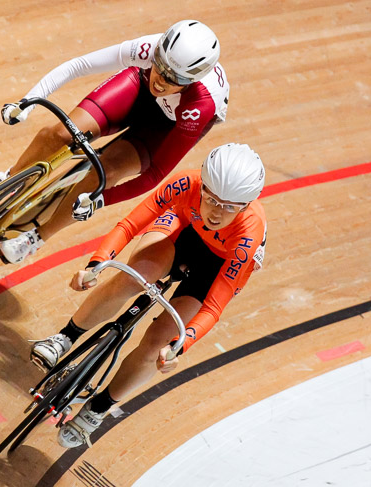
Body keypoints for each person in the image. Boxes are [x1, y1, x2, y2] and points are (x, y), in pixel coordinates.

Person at [30, 143, 267, 448]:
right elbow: (131, 224)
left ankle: (97, 410)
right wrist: (96, 264)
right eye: (211, 199)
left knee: (160, 342)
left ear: (246, 205)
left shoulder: (248, 236)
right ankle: (63, 338)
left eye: (230, 206)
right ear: (203, 185)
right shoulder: (185, 183)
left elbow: (213, 306)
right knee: (134, 277)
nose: (218, 212)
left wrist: (181, 346)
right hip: (182, 229)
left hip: (218, 264)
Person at [0, 20, 230, 264]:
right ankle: (5, 183)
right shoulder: (148, 49)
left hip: (168, 125)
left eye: (175, 79)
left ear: (192, 81)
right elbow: (78, 65)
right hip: (137, 87)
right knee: (60, 134)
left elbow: (155, 174)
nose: (161, 80)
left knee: (107, 172)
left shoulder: (200, 105)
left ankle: (37, 237)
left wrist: (101, 199)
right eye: (160, 66)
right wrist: (27, 102)